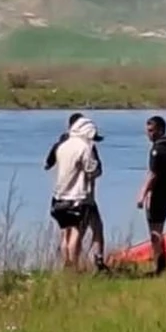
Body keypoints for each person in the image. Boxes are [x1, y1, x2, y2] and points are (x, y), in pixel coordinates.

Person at [49, 114, 106, 270]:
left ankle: (66, 265)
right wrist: (96, 170)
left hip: (59, 196)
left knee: (65, 233)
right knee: (76, 233)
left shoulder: (62, 146)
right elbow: (91, 170)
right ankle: (73, 267)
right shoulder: (84, 147)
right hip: (78, 197)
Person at [135, 115, 166, 276]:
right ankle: (161, 265)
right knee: (159, 229)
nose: (149, 134)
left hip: (159, 193)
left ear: (161, 130)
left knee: (155, 231)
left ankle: (159, 267)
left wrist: (142, 194)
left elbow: (153, 174)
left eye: (152, 131)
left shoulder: (158, 149)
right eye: (148, 131)